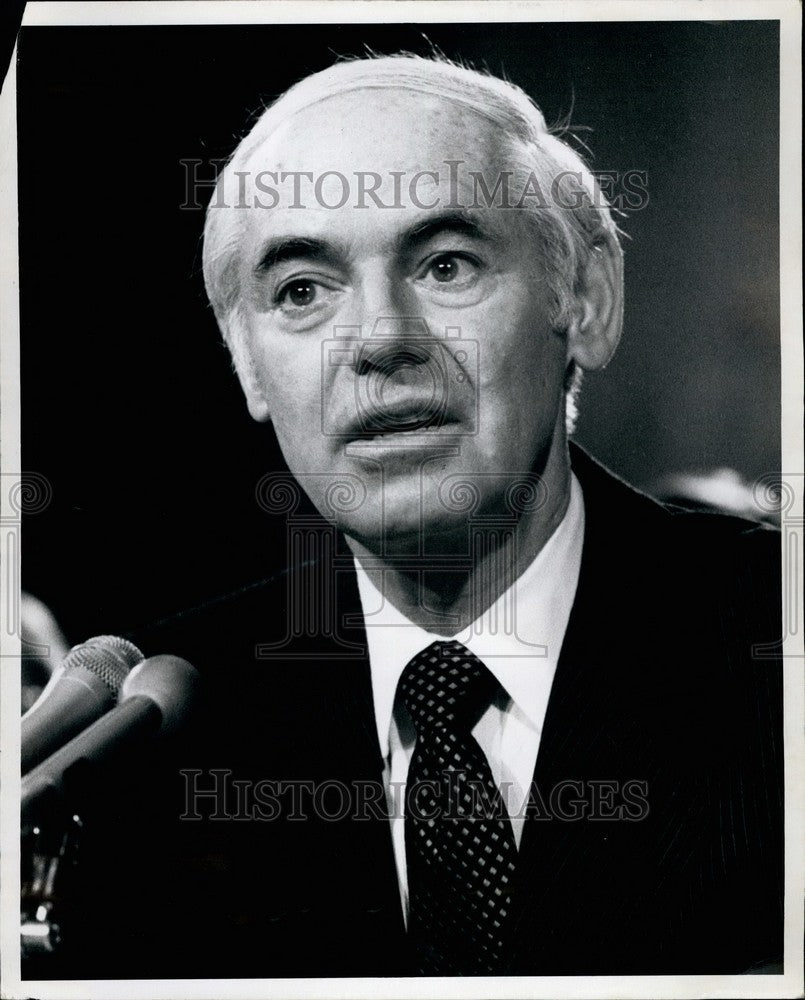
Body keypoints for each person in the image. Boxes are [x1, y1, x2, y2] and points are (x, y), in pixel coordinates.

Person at [23, 54, 782, 979]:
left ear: (585, 300)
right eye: (302, 289)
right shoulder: (162, 737)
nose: (380, 340)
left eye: (445, 265)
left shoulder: (771, 641)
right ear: (249, 367)